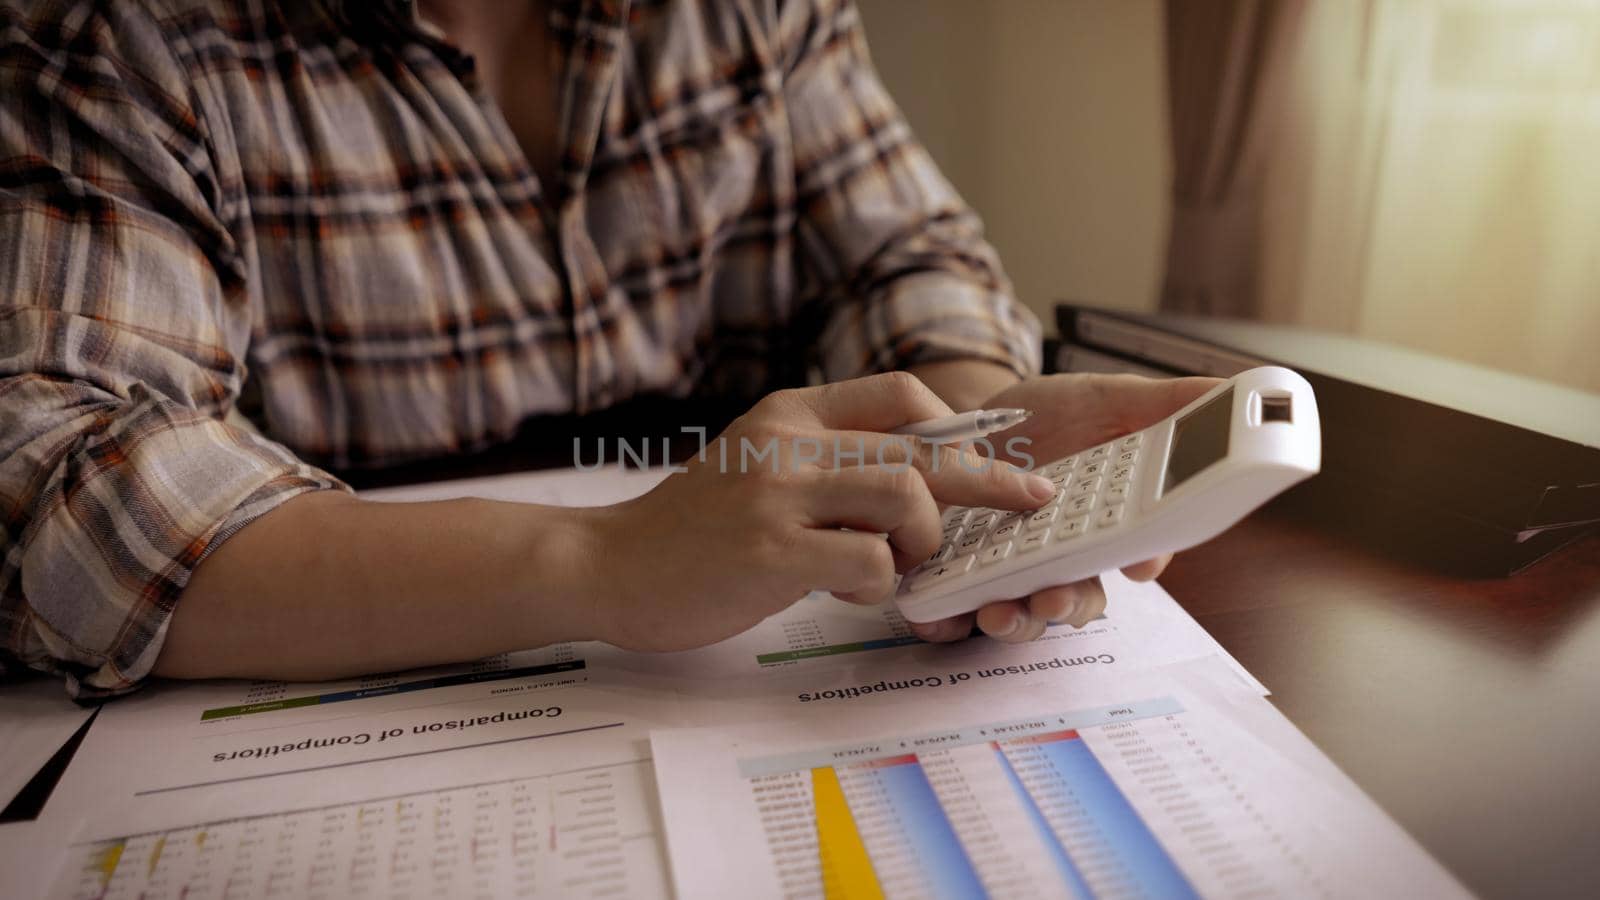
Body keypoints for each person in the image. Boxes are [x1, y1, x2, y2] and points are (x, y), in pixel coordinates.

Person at [0, 0, 1214, 699]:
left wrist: (963, 441)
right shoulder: (121, 35)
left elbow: (903, 260)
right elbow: (57, 488)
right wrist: (602, 559)